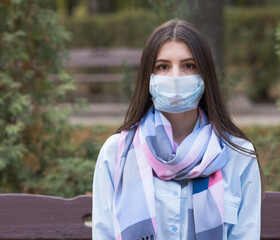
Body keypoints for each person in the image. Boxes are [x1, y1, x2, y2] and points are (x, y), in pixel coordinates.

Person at [92, 19, 263, 240]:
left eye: (188, 66)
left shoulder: (239, 154)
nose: (175, 77)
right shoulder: (115, 153)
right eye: (163, 66)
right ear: (148, 77)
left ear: (205, 76)